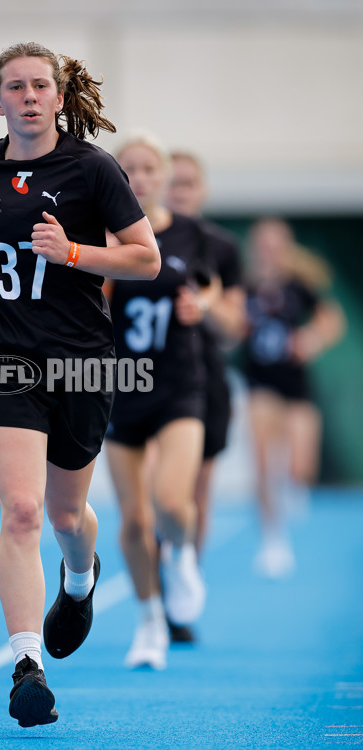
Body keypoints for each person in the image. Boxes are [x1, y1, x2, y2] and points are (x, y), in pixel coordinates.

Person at [0, 43, 160, 727]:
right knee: (23, 512)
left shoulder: (93, 169)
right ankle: (26, 665)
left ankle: (79, 578)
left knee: (68, 517)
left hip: (80, 360)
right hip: (1, 355)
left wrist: (71, 252)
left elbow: (145, 260)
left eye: (41, 85)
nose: (29, 96)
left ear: (60, 99)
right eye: (16, 87)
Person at [104, 134, 219, 670]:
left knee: (173, 501)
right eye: (129, 169)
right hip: (122, 385)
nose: (140, 178)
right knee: (131, 520)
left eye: (150, 169)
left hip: (179, 384)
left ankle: (182, 557)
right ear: (117, 178)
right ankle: (149, 623)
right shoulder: (104, 239)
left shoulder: (192, 233)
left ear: (163, 177)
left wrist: (203, 302)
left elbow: (210, 285)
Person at [241, 218, 345, 577]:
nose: (269, 250)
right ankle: (272, 539)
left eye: (276, 243)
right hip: (260, 382)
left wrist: (311, 339)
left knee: (301, 468)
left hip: (296, 384)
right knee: (262, 463)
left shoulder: (299, 285)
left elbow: (332, 319)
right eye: (263, 243)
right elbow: (233, 325)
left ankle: (289, 487)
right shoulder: (246, 286)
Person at [166, 151, 246, 573]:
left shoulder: (220, 247)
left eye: (188, 183)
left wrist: (203, 305)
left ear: (202, 190)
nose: (179, 191)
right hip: (146, 377)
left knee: (197, 489)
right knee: (150, 491)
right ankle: (155, 580)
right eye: (172, 182)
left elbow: (234, 327)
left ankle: (186, 573)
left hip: (202, 377)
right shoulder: (136, 240)